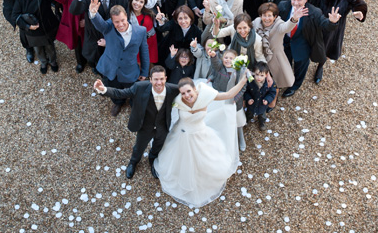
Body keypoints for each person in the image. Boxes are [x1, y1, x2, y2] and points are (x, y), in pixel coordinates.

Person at [152, 74, 249, 208]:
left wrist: (243, 81)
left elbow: (228, 94)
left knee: (205, 160)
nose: (186, 95)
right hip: (181, 136)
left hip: (200, 135)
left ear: (195, 89)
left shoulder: (205, 96)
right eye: (183, 93)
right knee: (179, 161)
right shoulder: (178, 100)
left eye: (189, 91)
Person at [93, 65, 180, 179]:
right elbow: (121, 93)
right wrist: (103, 89)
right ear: (150, 79)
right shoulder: (139, 87)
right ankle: (133, 162)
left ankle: (153, 159)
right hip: (145, 126)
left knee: (158, 145)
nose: (159, 82)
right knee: (139, 147)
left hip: (162, 125)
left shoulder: (173, 89)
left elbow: (189, 93)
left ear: (166, 78)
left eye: (161, 79)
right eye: (156, 79)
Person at [88, 0, 150, 117]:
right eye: (116, 22)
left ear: (126, 16)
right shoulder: (108, 27)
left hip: (130, 71)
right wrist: (93, 13)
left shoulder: (140, 31)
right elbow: (99, 23)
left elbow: (144, 52)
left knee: (132, 92)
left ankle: (133, 105)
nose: (120, 24)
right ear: (112, 21)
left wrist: (145, 71)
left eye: (122, 20)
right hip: (111, 69)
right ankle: (118, 102)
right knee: (113, 89)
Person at [278, 0, 341, 97]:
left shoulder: (314, 12)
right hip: (285, 42)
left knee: (300, 67)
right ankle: (284, 80)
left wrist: (332, 22)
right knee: (284, 63)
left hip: (302, 45)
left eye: (299, 0)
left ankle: (295, 85)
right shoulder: (283, 5)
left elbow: (324, 24)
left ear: (306, 0)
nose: (296, 3)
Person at [69, 0, 130, 73]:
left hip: (113, 35)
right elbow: (74, 11)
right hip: (94, 36)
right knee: (95, 59)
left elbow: (126, 19)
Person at [311, 0, 368, 71]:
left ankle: (320, 66)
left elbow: (357, 3)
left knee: (327, 49)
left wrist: (359, 11)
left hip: (334, 29)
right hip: (316, 25)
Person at [12, 0, 60, 74]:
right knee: (38, 49)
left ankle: (53, 62)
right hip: (31, 30)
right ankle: (43, 62)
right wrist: (27, 26)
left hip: (46, 27)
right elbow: (15, 15)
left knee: (50, 47)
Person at [46, 0, 86, 71]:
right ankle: (80, 63)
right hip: (74, 25)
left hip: (87, 25)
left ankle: (92, 63)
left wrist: (87, 21)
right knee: (77, 46)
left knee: (89, 44)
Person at [252, 2, 297, 91]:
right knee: (259, 78)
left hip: (275, 57)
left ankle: (273, 98)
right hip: (259, 56)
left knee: (276, 81)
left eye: (270, 16)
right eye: (264, 15)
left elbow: (287, 27)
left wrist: (294, 19)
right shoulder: (256, 22)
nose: (267, 19)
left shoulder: (279, 25)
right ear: (261, 16)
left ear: (275, 16)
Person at [244, 61, 277, 131]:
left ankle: (262, 122)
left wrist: (267, 99)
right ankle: (247, 119)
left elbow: (272, 93)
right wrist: (248, 98)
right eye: (257, 74)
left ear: (266, 75)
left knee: (262, 114)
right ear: (253, 73)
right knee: (249, 112)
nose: (259, 77)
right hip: (252, 104)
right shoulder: (250, 82)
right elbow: (246, 92)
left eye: (262, 75)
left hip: (262, 104)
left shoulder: (269, 83)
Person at [130, 0, 158, 67]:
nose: (137, 3)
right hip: (134, 43)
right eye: (136, 0)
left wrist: (161, 19)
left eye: (141, 2)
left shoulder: (149, 14)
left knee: (148, 65)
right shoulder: (127, 14)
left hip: (149, 43)